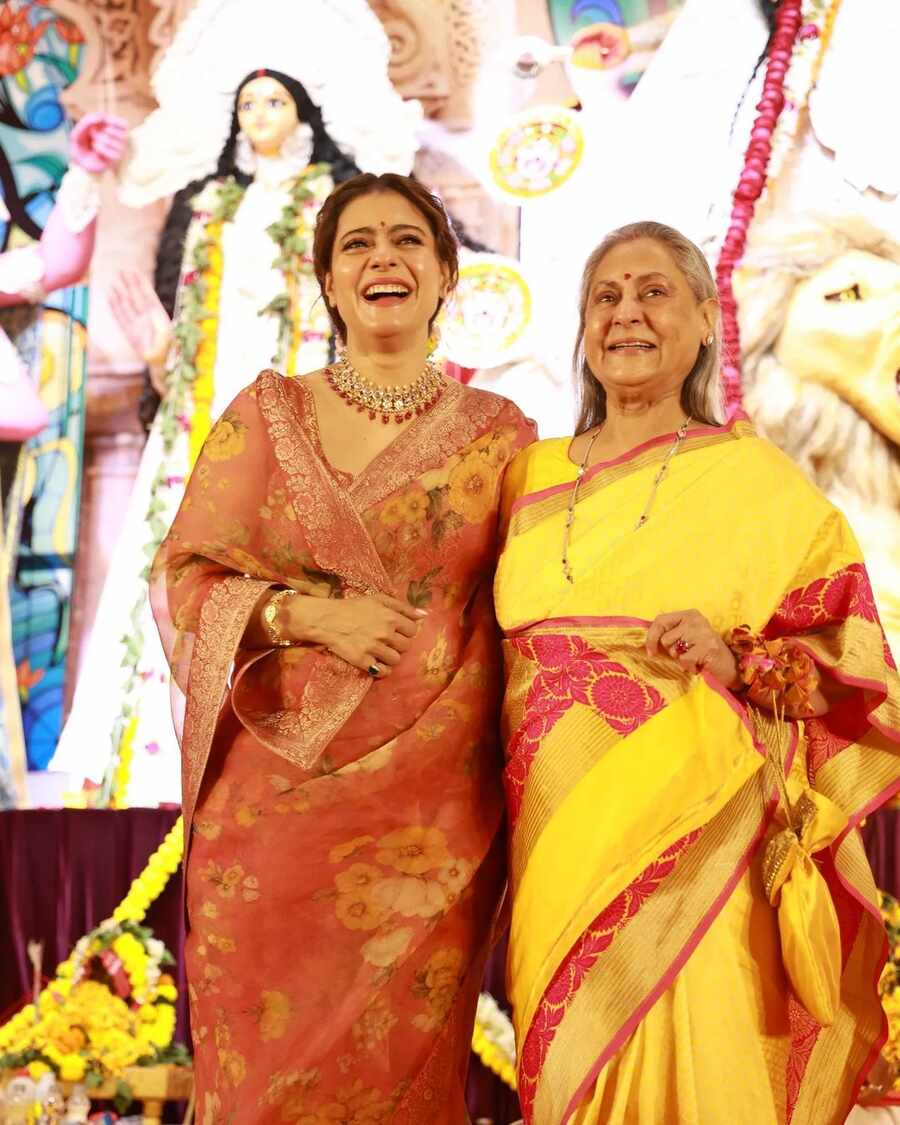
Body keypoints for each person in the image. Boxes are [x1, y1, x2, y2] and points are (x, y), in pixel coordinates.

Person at [494, 221, 900, 1125]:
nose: (626, 315)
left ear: (706, 323)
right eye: (605, 297)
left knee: (702, 1055)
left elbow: (854, 663)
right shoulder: (525, 475)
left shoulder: (757, 481)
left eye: (652, 293)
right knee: (570, 1068)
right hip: (554, 841)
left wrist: (737, 656)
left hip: (702, 838)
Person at [150, 172, 535, 1123]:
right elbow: (187, 578)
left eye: (408, 241)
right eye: (357, 244)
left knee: (403, 1075)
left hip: (429, 824)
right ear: (327, 280)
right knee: (263, 1079)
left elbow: (539, 606)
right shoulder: (266, 414)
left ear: (447, 274)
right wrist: (304, 616)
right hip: (271, 808)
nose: (383, 259)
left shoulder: (501, 438)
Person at [51, 56, 410, 805]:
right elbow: (191, 330)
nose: (259, 112)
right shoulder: (212, 205)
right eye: (247, 102)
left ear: (303, 116)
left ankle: (281, 760)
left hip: (297, 414)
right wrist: (160, 357)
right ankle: (152, 769)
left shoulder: (329, 205)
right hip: (202, 412)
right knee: (171, 565)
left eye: (274, 99)